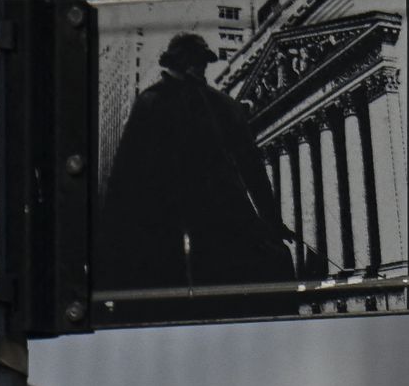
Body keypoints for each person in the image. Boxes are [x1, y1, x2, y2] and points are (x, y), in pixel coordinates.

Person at [99, 32, 295, 293]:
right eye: (194, 61)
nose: (198, 68)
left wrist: (271, 221)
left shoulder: (200, 104)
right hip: (185, 220)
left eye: (200, 62)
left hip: (204, 219)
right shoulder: (161, 102)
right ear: (180, 63)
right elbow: (125, 176)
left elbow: (252, 168)